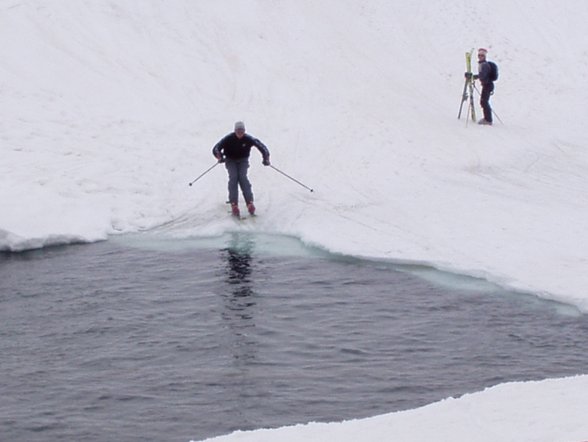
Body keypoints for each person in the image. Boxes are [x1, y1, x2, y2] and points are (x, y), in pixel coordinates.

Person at [212, 121, 271, 217]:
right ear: (235, 131)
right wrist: (219, 156)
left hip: (243, 160)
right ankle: (234, 203)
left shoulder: (248, 139)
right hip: (230, 160)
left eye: (242, 130)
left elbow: (262, 147)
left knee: (242, 177)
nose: (240, 133)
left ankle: (250, 202)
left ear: (244, 131)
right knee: (234, 177)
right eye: (238, 130)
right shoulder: (229, 138)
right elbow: (216, 148)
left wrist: (266, 158)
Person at [474, 48, 495, 125]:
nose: (480, 56)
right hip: (487, 85)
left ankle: (488, 119)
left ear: (485, 56)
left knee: (484, 102)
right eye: (479, 55)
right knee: (484, 101)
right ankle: (487, 118)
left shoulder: (484, 65)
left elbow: (482, 76)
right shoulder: (482, 64)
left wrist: (474, 77)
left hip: (487, 85)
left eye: (482, 55)